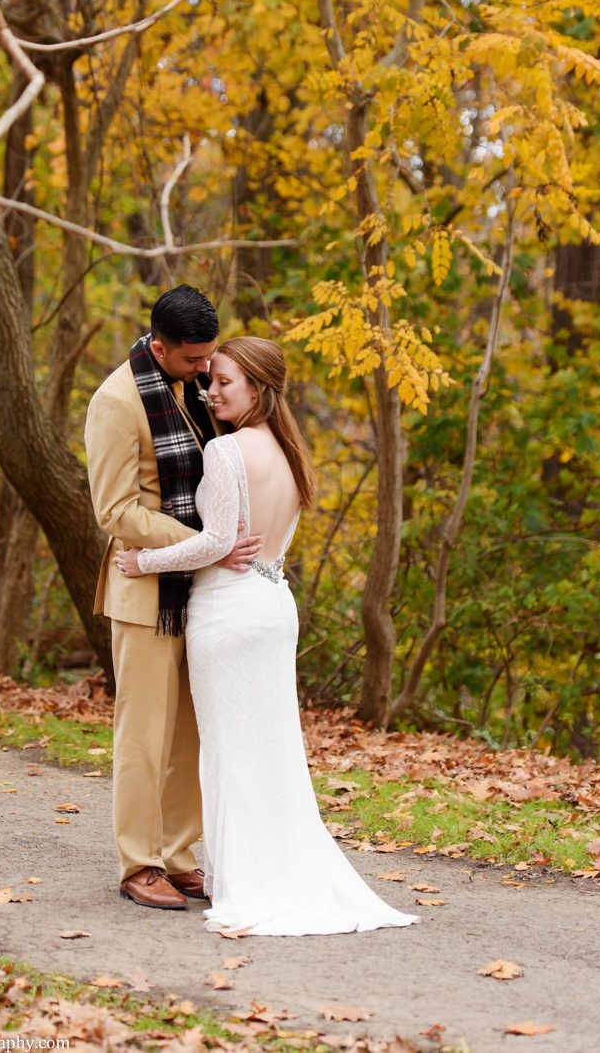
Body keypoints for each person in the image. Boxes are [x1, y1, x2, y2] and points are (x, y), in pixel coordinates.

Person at [115, 338, 417, 936]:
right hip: (273, 605)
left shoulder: (227, 451)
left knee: (229, 752)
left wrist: (142, 564)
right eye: (213, 379)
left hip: (229, 616)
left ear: (258, 387)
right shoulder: (289, 451)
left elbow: (216, 542)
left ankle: (249, 881)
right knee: (270, 751)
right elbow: (249, 542)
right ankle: (273, 869)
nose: (212, 389)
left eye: (225, 380)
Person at [84, 286, 260, 911]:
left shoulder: (193, 387)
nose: (204, 372)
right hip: (145, 589)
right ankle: (139, 863)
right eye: (192, 361)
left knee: (191, 731)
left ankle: (181, 855)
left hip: (202, 585)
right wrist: (202, 542)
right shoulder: (115, 403)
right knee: (145, 733)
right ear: (158, 346)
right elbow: (116, 510)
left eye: (207, 360)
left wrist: (211, 550)